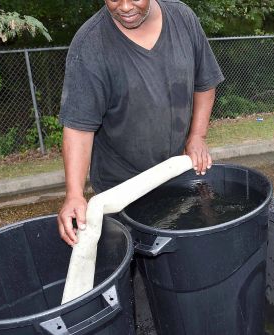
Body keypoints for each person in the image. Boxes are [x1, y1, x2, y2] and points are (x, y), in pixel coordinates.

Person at [57, 0, 224, 245]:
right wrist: (74, 194)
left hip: (175, 175)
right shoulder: (90, 44)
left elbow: (205, 83)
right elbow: (78, 129)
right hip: (122, 191)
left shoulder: (183, 19)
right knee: (133, 268)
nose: (124, 7)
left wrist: (197, 135)